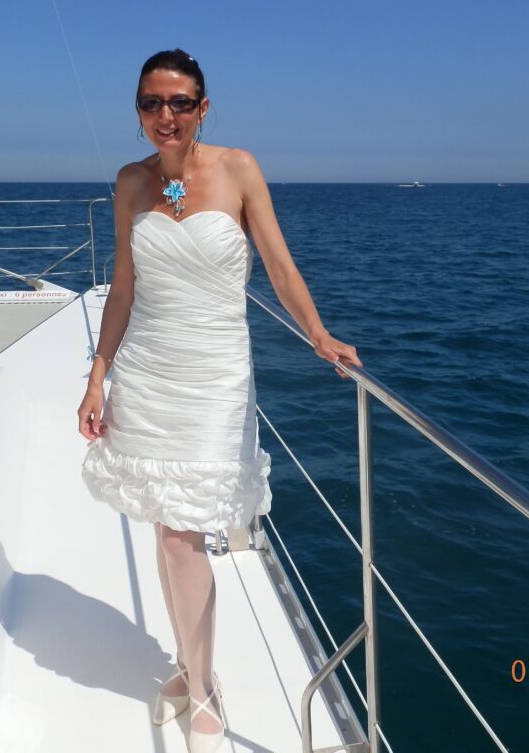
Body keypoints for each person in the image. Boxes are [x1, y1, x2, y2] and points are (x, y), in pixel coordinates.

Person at [77, 49, 362, 752]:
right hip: (145, 370)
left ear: (204, 108)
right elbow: (123, 287)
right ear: (138, 110)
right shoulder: (129, 183)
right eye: (151, 103)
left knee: (185, 531)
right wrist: (96, 377)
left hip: (214, 376)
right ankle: (190, 666)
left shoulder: (238, 169)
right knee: (162, 524)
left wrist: (318, 333)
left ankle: (203, 682)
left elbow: (279, 264)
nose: (164, 116)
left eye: (179, 103)